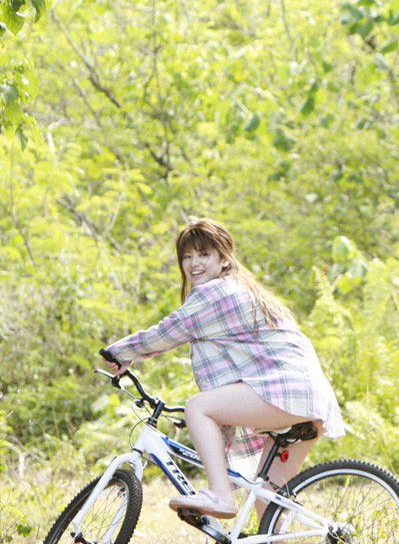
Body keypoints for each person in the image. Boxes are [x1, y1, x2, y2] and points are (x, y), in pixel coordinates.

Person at [101, 218, 346, 520]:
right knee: (267, 496)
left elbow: (169, 331)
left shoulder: (216, 293)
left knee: (199, 407)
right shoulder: (245, 289)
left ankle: (220, 496)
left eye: (203, 254)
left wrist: (118, 352)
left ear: (224, 258)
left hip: (287, 390)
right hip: (309, 397)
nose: (193, 264)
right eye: (187, 257)